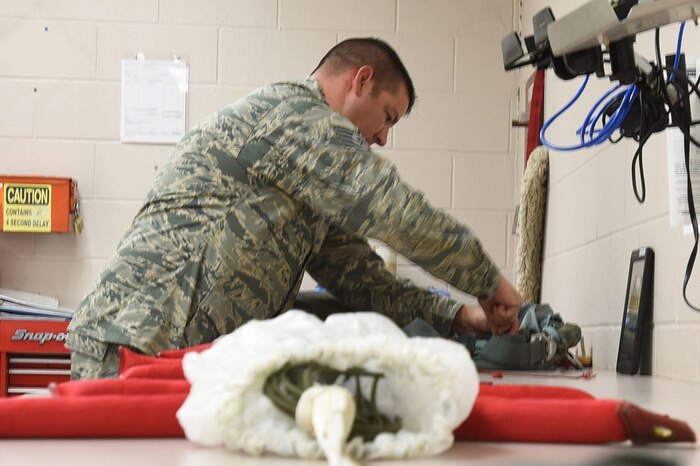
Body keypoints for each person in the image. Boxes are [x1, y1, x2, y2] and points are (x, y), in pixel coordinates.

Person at [67, 37, 523, 380]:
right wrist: (489, 281)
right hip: (134, 343)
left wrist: (461, 317)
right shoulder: (295, 117)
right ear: (360, 80)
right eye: (387, 116)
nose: (384, 137)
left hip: (175, 353)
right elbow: (396, 212)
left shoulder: (310, 179)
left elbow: (360, 279)